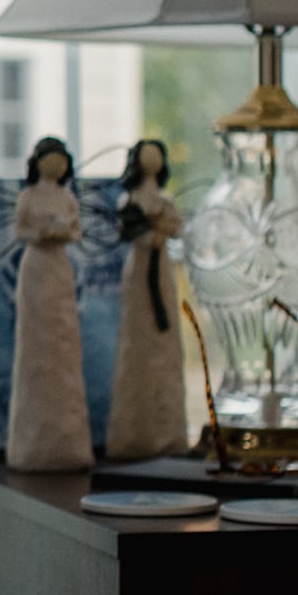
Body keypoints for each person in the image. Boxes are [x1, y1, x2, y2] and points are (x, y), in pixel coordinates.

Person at [6, 135, 94, 472]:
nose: (55, 166)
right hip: (37, 266)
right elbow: (21, 231)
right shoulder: (28, 196)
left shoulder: (67, 197)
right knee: (36, 346)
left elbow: (76, 232)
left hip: (59, 267)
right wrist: (41, 232)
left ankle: (68, 440)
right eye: (50, 159)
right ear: (38, 162)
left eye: (61, 160)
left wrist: (62, 231)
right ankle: (32, 442)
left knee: (63, 344)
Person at [105, 138, 188, 460]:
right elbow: (126, 230)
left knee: (163, 344)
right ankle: (134, 434)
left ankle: (167, 434)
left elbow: (177, 227)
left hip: (162, 269)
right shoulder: (129, 199)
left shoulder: (165, 199)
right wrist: (148, 232)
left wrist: (162, 225)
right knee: (137, 342)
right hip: (140, 270)